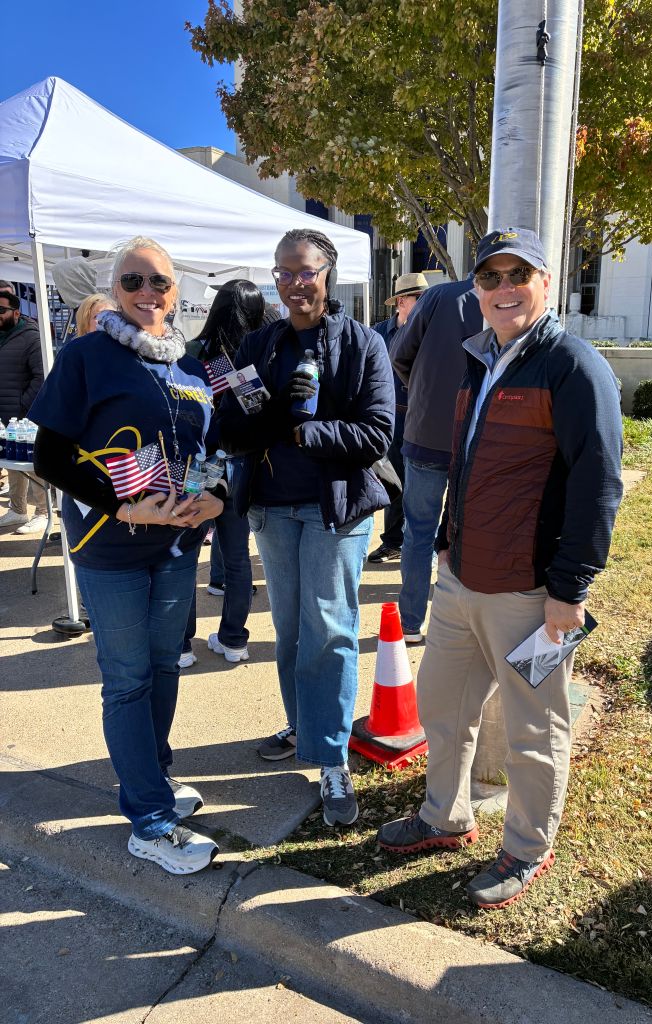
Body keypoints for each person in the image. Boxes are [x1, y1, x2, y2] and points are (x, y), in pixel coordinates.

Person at [377, 227, 624, 909]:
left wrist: (568, 592)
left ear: (547, 282)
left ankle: (525, 848)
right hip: (462, 580)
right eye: (490, 277)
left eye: (520, 273)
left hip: (530, 590)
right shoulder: (481, 359)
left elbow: (598, 485)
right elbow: (467, 464)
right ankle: (443, 817)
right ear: (475, 289)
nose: (504, 287)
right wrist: (449, 543)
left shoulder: (573, 366)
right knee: (442, 706)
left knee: (533, 729)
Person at [29, 237, 224, 875]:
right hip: (109, 548)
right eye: (133, 281)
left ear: (176, 292)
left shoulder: (189, 366)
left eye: (159, 283)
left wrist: (217, 498)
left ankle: (154, 780)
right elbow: (50, 458)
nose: (147, 293)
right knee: (128, 677)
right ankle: (150, 820)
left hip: (175, 546)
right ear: (116, 289)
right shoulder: (87, 355)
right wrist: (121, 507)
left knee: (165, 666)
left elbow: (211, 454)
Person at [219, 228, 394, 827]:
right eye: (283, 272)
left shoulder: (363, 344)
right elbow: (234, 426)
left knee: (330, 629)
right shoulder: (260, 345)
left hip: (334, 510)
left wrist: (305, 429)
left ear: (329, 273)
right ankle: (304, 726)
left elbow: (376, 434)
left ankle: (332, 756)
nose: (294, 283)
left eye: (305, 271)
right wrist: (254, 409)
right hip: (271, 507)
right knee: (292, 629)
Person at [388, 269, 482, 642]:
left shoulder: (438, 297)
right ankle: (456, 622)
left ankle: (411, 621)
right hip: (477, 437)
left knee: (418, 533)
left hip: (426, 432)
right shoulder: (514, 304)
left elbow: (399, 353)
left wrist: (421, 390)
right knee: (465, 532)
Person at [180, 279, 269, 668]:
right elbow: (259, 414)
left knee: (183, 555)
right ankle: (234, 637)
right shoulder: (261, 353)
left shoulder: (192, 355)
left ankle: (181, 643)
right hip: (240, 465)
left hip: (197, 465)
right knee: (237, 557)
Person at [367, 272, 428, 564]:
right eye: (420, 300)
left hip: (423, 419)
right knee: (393, 482)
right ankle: (392, 541)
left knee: (423, 487)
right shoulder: (378, 333)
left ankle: (421, 544)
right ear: (402, 301)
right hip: (389, 420)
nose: (425, 306)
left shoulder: (431, 333)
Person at [0, 281, 48, 534]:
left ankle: (42, 512)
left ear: (16, 313)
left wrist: (22, 406)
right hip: (5, 417)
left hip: (27, 418)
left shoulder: (31, 337)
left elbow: (41, 378)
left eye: (1, 310)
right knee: (11, 464)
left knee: (33, 465)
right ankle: (18, 510)